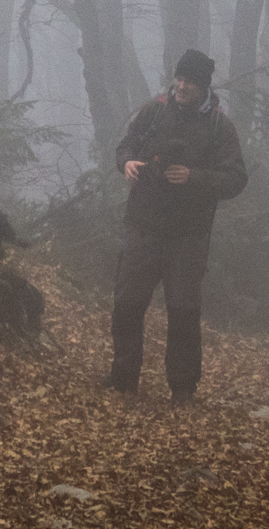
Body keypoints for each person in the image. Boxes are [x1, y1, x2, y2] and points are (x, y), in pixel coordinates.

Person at [104, 49, 248, 406]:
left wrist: (194, 178)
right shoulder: (153, 112)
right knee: (126, 303)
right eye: (179, 79)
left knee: (183, 312)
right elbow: (124, 146)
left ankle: (183, 389)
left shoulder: (219, 127)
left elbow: (236, 179)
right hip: (144, 226)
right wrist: (127, 163)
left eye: (189, 82)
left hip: (188, 235)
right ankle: (123, 379)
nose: (181, 86)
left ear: (203, 86)